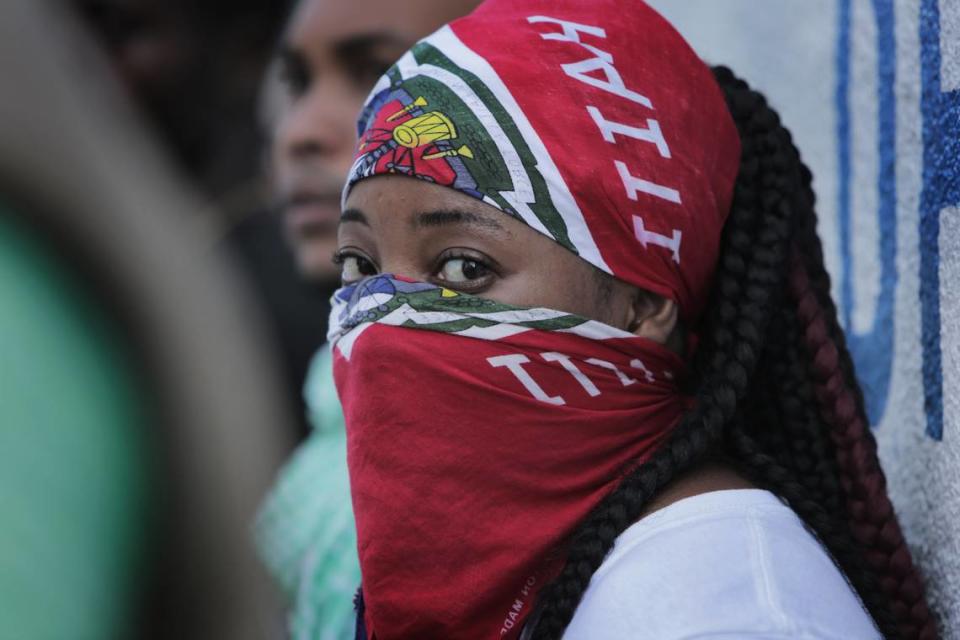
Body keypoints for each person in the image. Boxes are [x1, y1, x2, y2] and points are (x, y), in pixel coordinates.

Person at [328, 1, 937, 638]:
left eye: (462, 269)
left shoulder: (723, 609)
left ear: (642, 303)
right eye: (357, 266)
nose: (380, 324)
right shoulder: (550, 565)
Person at [254, 1, 480, 638]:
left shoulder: (490, 452)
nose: (298, 130)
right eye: (297, 83)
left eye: (378, 74)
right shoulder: (331, 413)